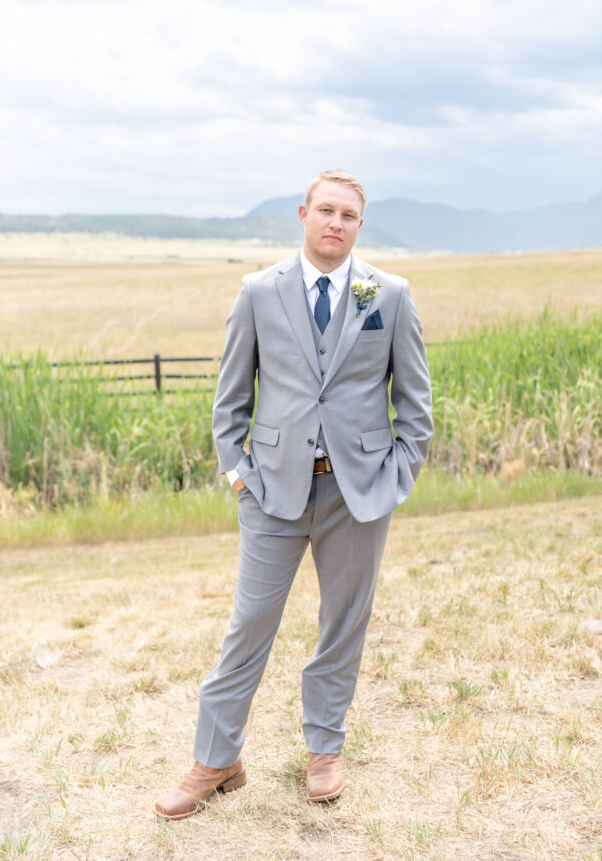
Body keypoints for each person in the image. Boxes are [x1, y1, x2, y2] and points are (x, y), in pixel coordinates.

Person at [155, 169, 433, 820]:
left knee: (342, 625)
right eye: (326, 211)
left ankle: (324, 749)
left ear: (359, 226)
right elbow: (231, 401)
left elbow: (413, 405)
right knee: (248, 625)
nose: (336, 223)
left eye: (349, 216)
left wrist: (396, 476)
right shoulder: (258, 292)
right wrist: (236, 473)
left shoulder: (387, 295)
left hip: (356, 494)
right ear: (304, 214)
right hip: (272, 493)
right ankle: (216, 759)